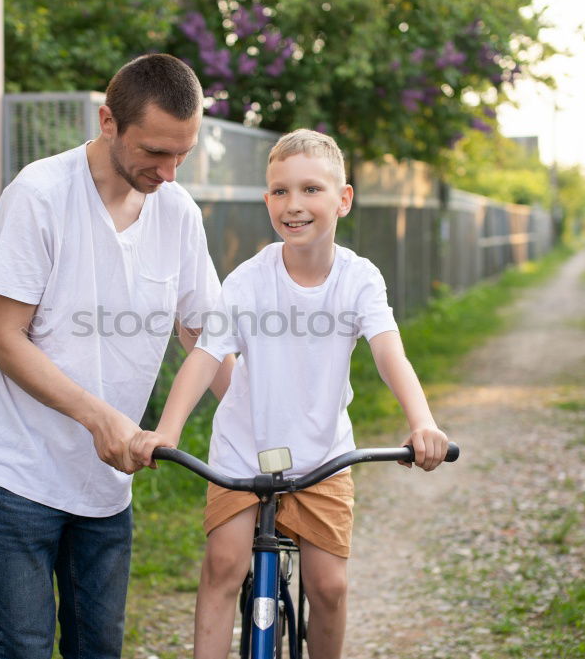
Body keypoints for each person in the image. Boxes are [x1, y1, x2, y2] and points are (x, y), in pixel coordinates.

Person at [130, 129, 450, 659]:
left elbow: (391, 355)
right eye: (280, 191)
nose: (293, 204)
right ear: (267, 201)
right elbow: (205, 356)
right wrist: (166, 432)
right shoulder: (248, 282)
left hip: (322, 455)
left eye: (310, 190)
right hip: (242, 451)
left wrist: (423, 423)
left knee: (329, 588)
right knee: (222, 568)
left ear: (342, 198)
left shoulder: (359, 279)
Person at [0, 54, 232, 659]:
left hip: (107, 486)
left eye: (181, 154)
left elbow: (205, 334)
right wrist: (100, 418)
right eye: (155, 152)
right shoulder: (39, 195)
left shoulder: (178, 212)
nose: (167, 171)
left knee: (98, 649)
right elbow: (5, 337)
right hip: (19, 473)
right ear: (109, 121)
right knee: (24, 649)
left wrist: (263, 418)